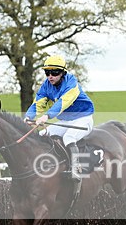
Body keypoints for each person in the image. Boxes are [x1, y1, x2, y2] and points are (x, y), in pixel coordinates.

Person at [24, 55, 94, 184]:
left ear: (62, 72)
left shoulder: (71, 83)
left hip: (83, 119)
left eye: (54, 72)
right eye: (47, 72)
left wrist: (46, 116)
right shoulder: (46, 86)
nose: (50, 76)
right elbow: (38, 104)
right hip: (65, 121)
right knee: (41, 135)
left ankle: (76, 169)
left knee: (69, 138)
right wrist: (28, 117)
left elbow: (62, 103)